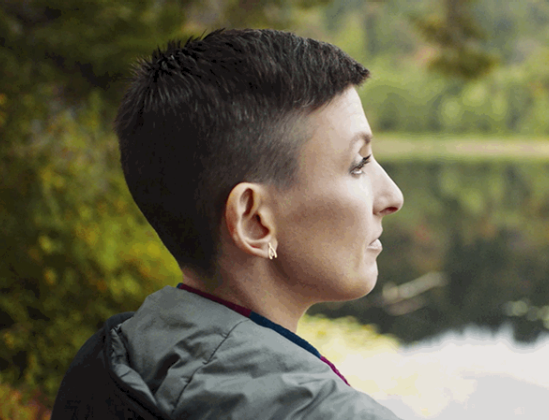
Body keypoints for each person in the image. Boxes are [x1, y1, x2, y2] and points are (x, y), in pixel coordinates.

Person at [51, 28, 404, 419]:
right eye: (359, 164)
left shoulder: (111, 359)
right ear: (254, 221)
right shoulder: (327, 413)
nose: (392, 197)